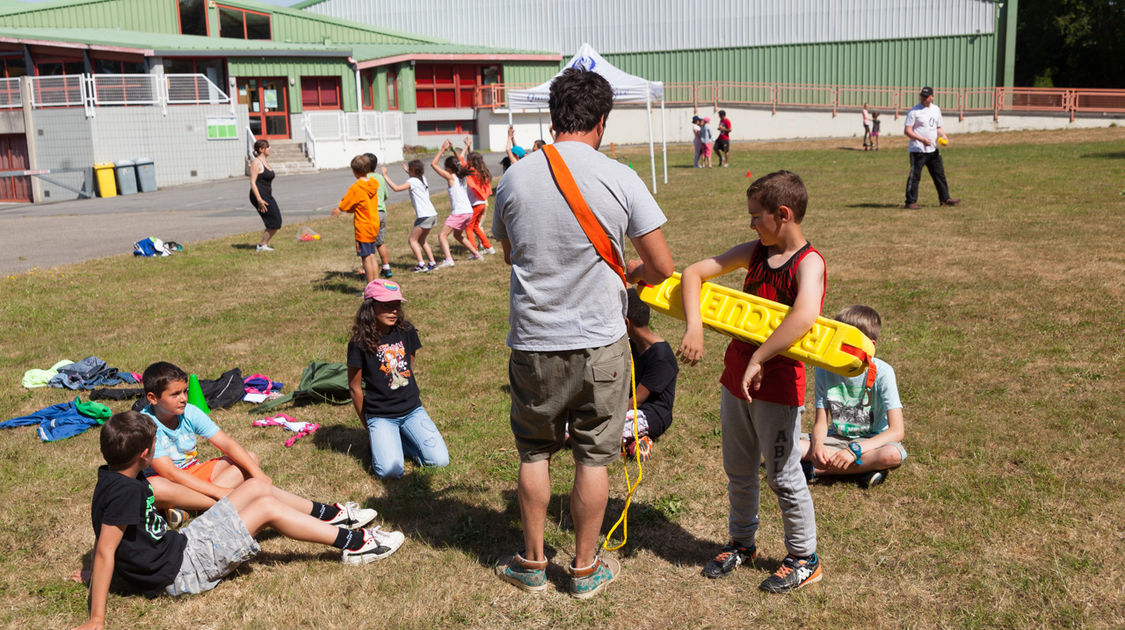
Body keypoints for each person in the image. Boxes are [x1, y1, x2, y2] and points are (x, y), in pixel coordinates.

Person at [492, 67, 674, 600]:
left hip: (533, 339)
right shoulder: (620, 177)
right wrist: (629, 272)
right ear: (601, 120)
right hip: (601, 340)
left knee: (534, 453)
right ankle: (584, 567)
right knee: (594, 456)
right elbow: (661, 266)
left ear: (552, 118)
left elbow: (510, 253)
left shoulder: (513, 178)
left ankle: (530, 562)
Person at [72, 411, 403, 630]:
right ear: (144, 455)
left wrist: (102, 572)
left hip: (185, 543)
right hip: (184, 571)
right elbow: (106, 549)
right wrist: (97, 617)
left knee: (257, 487)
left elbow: (119, 545)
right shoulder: (125, 494)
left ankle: (330, 516)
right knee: (265, 509)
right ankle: (356, 545)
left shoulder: (118, 478)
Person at [676, 170, 825, 593]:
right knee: (739, 469)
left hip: (777, 385)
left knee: (782, 474)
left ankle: (804, 558)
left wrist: (760, 358)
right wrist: (694, 326)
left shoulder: (808, 263)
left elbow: (805, 315)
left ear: (783, 214)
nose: (751, 224)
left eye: (756, 216)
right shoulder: (756, 250)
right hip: (735, 377)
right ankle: (742, 544)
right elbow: (693, 273)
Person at [139, 361, 377, 531]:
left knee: (249, 458)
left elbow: (227, 444)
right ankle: (227, 501)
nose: (183, 398)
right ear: (152, 398)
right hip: (170, 482)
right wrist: (221, 493)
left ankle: (189, 509)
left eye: (185, 392)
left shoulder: (190, 412)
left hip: (195, 475)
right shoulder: (145, 424)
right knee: (152, 488)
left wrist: (259, 475)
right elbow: (169, 473)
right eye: (175, 394)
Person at [346, 279, 450, 479]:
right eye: (386, 306)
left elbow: (409, 366)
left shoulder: (406, 331)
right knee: (390, 472)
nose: (394, 311)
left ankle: (398, 439)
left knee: (440, 462)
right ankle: (381, 440)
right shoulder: (358, 342)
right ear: (370, 307)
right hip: (380, 415)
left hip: (412, 410)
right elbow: (355, 388)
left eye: (397, 305)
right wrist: (367, 423)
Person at [799, 305, 905, 488]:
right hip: (835, 439)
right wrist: (817, 447)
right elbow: (821, 422)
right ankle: (863, 470)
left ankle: (816, 470)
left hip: (872, 443)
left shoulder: (884, 372)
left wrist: (854, 450)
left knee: (892, 455)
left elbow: (897, 431)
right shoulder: (824, 370)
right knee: (785, 443)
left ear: (870, 346)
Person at [620, 288, 678, 461]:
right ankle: (633, 441)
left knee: (593, 431)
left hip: (651, 415)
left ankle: (637, 438)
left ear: (626, 323)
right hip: (629, 410)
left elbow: (635, 402)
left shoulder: (662, 357)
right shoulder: (632, 345)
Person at [904, 86, 960, 210]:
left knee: (939, 174)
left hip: (932, 150)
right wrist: (922, 139)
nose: (923, 98)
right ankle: (910, 202)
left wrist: (944, 136)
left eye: (926, 96)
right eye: (922, 96)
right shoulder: (914, 111)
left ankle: (945, 199)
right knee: (915, 176)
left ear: (932, 97)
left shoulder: (936, 109)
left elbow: (938, 127)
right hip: (918, 150)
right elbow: (907, 131)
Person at [331, 154, 382, 284]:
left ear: (354, 171)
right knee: (372, 255)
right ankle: (376, 284)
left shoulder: (356, 187)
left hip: (363, 227)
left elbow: (346, 203)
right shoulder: (373, 183)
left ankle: (371, 287)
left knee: (366, 258)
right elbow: (359, 204)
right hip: (374, 224)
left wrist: (339, 209)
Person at [381, 160, 439, 273]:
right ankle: (432, 263)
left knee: (412, 240)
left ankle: (421, 264)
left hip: (424, 216)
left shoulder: (412, 181)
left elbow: (396, 188)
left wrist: (385, 176)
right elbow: (414, 176)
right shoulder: (422, 179)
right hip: (432, 214)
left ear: (412, 170)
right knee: (422, 240)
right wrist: (407, 170)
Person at [431, 140, 481, 267]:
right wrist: (453, 150)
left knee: (442, 235)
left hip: (459, 212)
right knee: (457, 235)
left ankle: (449, 260)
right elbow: (459, 161)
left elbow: (433, 164)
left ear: (448, 168)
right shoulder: (461, 175)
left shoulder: (450, 177)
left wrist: (442, 150)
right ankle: (476, 254)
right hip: (468, 212)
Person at [459, 138, 496, 255]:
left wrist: (465, 147)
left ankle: (474, 250)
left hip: (475, 204)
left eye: (468, 160)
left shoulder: (471, 171)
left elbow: (460, 159)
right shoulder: (482, 170)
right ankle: (488, 247)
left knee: (469, 227)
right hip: (483, 204)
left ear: (470, 161)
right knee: (476, 227)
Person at [363, 152, 394, 279]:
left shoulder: (364, 179)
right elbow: (386, 195)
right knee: (380, 242)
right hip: (382, 212)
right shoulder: (380, 178)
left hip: (371, 214)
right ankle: (386, 268)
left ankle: (368, 271)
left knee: (368, 244)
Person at [248, 139, 282, 252]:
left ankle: (263, 245)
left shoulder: (265, 162)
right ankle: (262, 246)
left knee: (277, 221)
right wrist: (259, 200)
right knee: (274, 222)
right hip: (259, 196)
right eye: (267, 147)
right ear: (261, 149)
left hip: (267, 195)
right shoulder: (256, 162)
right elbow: (252, 182)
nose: (270, 148)